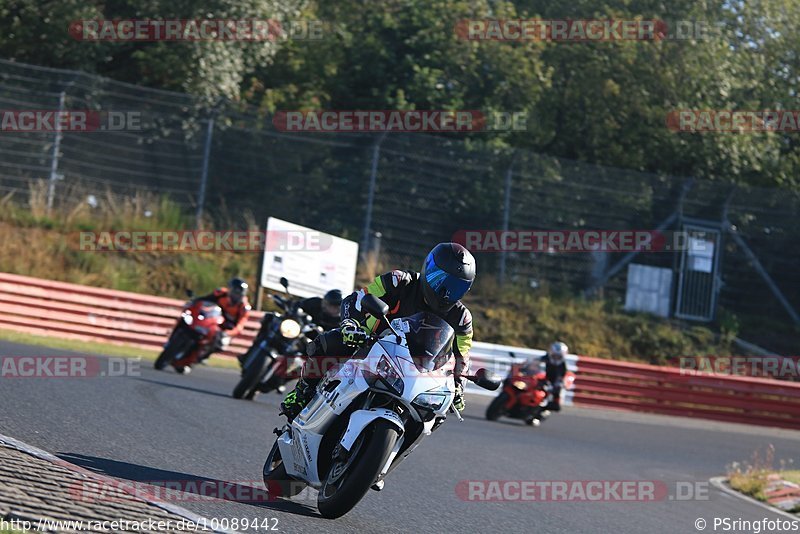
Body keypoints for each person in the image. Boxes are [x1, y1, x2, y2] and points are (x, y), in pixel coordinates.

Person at [281, 242, 476, 421]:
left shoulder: (462, 318)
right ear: (428, 269)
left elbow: (462, 356)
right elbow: (356, 299)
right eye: (440, 281)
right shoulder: (399, 281)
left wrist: (459, 386)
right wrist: (351, 325)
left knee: (435, 413)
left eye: (456, 288)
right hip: (370, 343)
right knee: (329, 342)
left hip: (415, 369)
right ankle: (302, 391)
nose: (445, 293)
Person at [195, 278, 252, 364]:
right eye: (235, 291)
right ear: (230, 289)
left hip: (225, 329)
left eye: (240, 292)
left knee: (222, 343)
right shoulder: (221, 293)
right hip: (211, 320)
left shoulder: (244, 308)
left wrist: (227, 333)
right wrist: (194, 301)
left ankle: (205, 355)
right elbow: (205, 299)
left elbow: (239, 326)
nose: (236, 295)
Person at [540, 341, 569, 412]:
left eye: (559, 356)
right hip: (541, 379)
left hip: (552, 383)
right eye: (554, 355)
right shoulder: (543, 359)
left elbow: (564, 376)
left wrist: (561, 382)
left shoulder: (563, 365)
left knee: (557, 405)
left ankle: (544, 407)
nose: (556, 358)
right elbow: (533, 365)